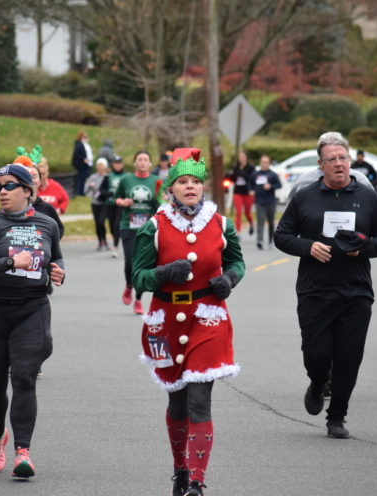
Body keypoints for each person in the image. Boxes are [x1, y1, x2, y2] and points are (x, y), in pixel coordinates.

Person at [132, 148, 244, 496]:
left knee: (199, 400)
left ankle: (197, 481)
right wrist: (163, 273)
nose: (190, 187)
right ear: (170, 188)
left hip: (207, 317)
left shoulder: (221, 223)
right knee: (177, 402)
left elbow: (237, 263)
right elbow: (138, 278)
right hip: (165, 322)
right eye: (183, 181)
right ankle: (180, 470)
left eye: (196, 181)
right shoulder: (154, 226)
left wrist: (229, 281)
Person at [273, 131, 377, 439]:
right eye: (332, 159)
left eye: (343, 158)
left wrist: (362, 249)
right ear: (320, 164)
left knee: (349, 357)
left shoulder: (367, 197)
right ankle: (317, 381)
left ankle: (336, 417)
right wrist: (308, 247)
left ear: (350, 160)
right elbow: (282, 236)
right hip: (315, 291)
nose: (339, 164)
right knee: (316, 355)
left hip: (356, 292)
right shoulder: (304, 197)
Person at [0, 163, 64, 478]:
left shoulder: (47, 223)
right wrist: (11, 261)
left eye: (9, 186)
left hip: (32, 309)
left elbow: (56, 256)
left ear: (26, 190)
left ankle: (23, 451)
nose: (2, 192)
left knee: (23, 378)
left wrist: (58, 270)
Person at [115, 150, 160, 314]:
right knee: (129, 262)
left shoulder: (156, 181)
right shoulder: (126, 179)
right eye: (139, 159)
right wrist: (123, 201)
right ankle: (128, 286)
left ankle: (139, 299)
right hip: (128, 225)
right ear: (135, 163)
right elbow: (116, 198)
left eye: (145, 160)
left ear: (150, 163)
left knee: (143, 264)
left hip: (148, 228)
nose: (142, 162)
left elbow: (161, 203)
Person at [14, 146, 64, 238]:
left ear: (39, 181)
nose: (30, 180)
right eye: (27, 176)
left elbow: (59, 229)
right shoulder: (12, 207)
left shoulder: (47, 208)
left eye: (34, 176)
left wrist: (46, 243)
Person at [249, 154, 281, 249]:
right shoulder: (255, 174)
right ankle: (260, 241)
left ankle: (271, 240)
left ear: (269, 163)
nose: (264, 164)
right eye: (263, 162)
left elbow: (279, 185)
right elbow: (250, 184)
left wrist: (270, 186)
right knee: (260, 221)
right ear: (260, 163)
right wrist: (251, 190)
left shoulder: (272, 174)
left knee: (271, 222)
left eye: (266, 162)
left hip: (270, 201)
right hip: (259, 201)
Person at [99, 154, 125, 258]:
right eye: (115, 163)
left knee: (117, 225)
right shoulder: (108, 176)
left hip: (120, 204)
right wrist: (108, 193)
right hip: (109, 204)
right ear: (112, 165)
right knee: (109, 224)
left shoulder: (126, 177)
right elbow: (101, 190)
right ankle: (116, 240)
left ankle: (115, 247)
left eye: (119, 163)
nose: (117, 165)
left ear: (122, 164)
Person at [85, 157, 110, 251]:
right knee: (97, 223)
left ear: (105, 167)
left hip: (104, 203)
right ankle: (100, 241)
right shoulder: (92, 177)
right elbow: (85, 190)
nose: (100, 167)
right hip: (95, 203)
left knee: (101, 222)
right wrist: (90, 187)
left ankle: (105, 241)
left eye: (102, 165)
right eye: (98, 165)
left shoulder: (108, 177)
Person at [229, 151, 255, 235]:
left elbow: (253, 179)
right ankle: (238, 232)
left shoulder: (251, 168)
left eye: (243, 157)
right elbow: (232, 178)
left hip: (248, 192)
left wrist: (243, 174)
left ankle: (251, 223)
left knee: (247, 213)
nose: (241, 159)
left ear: (246, 158)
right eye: (240, 157)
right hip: (238, 192)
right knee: (238, 212)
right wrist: (229, 176)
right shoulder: (236, 167)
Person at [72, 130, 93, 197]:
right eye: (84, 136)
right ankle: (79, 192)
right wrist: (84, 159)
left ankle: (81, 192)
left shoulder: (85, 145)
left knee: (84, 179)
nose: (86, 138)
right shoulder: (79, 145)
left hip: (86, 164)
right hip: (81, 165)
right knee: (81, 179)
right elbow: (77, 154)